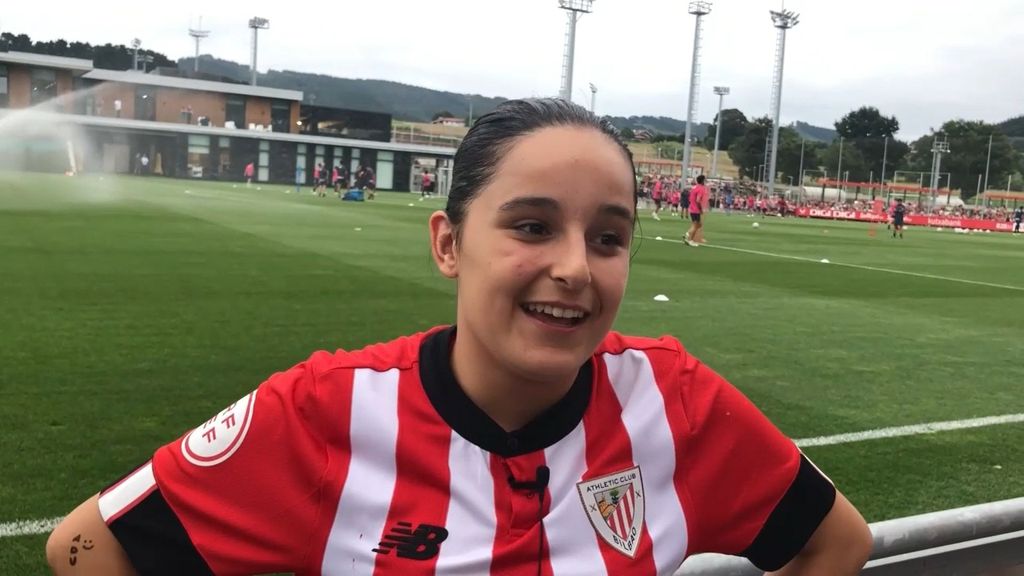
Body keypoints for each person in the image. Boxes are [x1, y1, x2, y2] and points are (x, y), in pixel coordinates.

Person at [46, 98, 872, 576]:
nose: (575, 268)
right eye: (532, 226)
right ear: (448, 244)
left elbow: (839, 542)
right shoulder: (326, 410)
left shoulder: (674, 400)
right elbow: (84, 548)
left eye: (608, 237)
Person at [685, 174, 710, 247]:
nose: (705, 181)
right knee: (696, 225)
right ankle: (690, 239)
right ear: (702, 181)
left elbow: (690, 198)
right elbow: (698, 200)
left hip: (692, 208)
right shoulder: (701, 188)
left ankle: (687, 234)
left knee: (697, 224)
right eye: (704, 180)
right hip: (696, 209)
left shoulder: (694, 187)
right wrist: (700, 209)